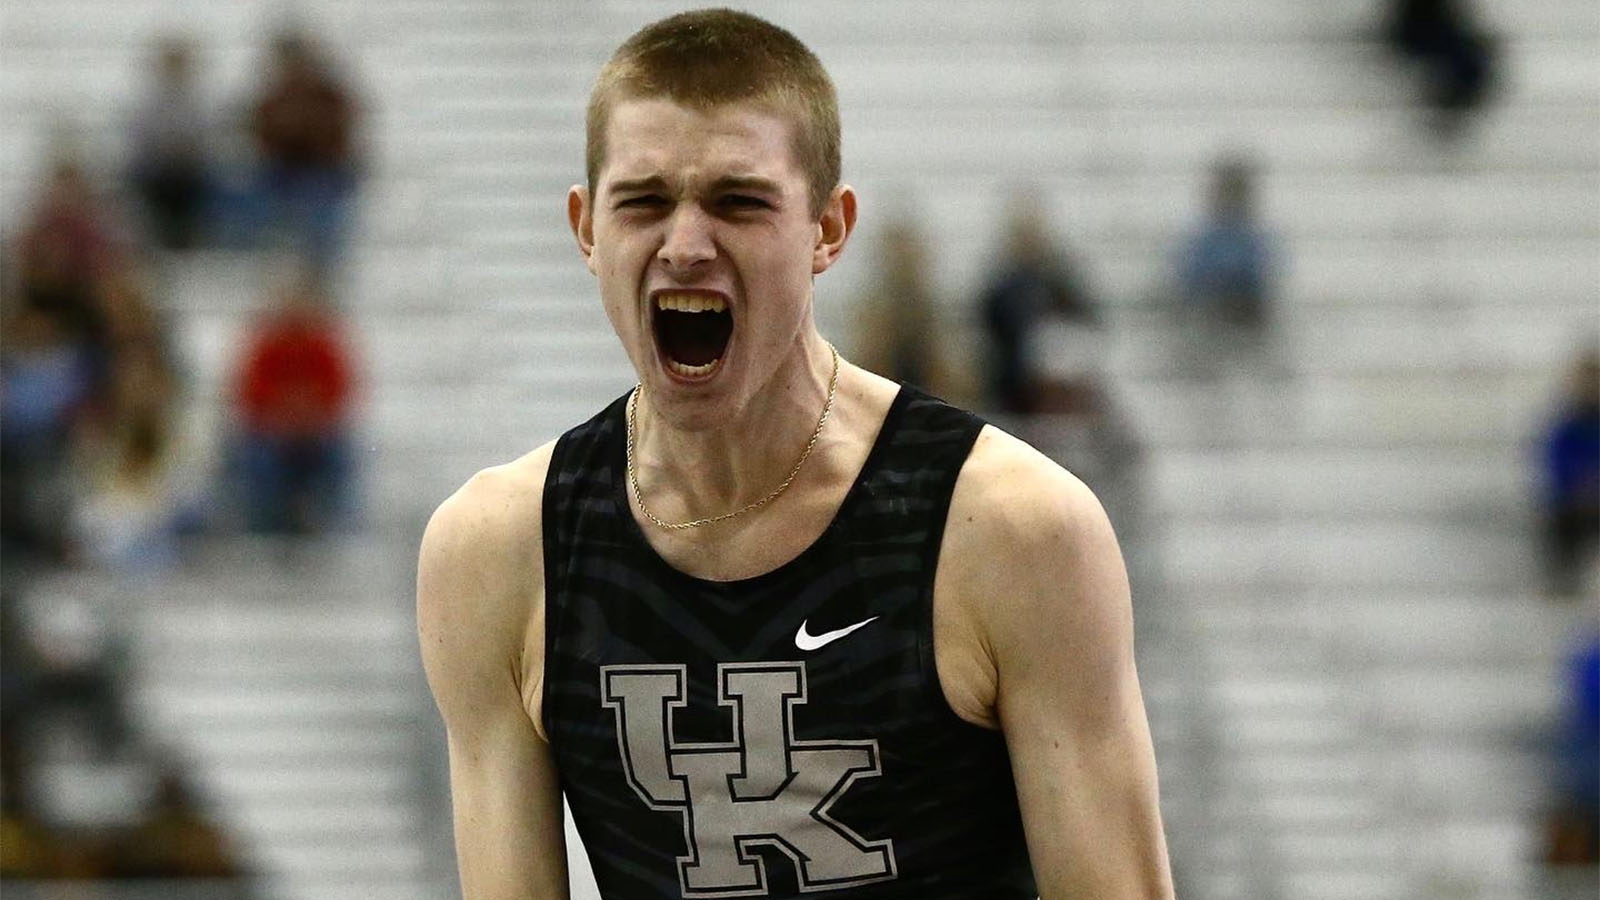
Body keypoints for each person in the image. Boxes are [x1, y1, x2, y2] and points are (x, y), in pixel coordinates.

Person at [418, 10, 1173, 899]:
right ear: (587, 229)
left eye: (739, 201)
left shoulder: (1010, 529)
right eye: (644, 201)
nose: (687, 244)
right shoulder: (500, 552)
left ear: (828, 230)